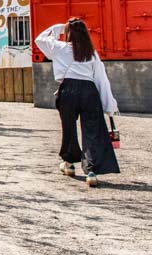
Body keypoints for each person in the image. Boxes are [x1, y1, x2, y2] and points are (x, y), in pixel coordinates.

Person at [34, 18, 120, 187]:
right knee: (92, 131)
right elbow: (101, 79)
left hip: (68, 91)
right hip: (89, 91)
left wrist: (59, 27)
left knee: (69, 128)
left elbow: (40, 39)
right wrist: (110, 105)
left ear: (68, 34)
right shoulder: (91, 53)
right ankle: (91, 171)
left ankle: (69, 163)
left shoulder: (60, 48)